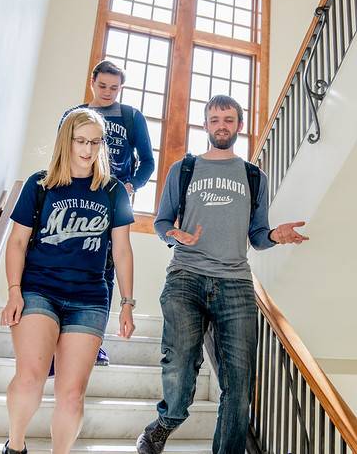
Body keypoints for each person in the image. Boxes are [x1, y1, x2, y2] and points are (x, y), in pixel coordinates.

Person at [136, 95, 309, 454]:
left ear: (239, 125)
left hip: (236, 284)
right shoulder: (183, 169)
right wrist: (173, 234)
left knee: (239, 383)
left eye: (228, 119)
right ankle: (165, 422)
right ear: (205, 125)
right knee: (181, 364)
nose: (221, 126)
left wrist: (276, 235)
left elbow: (258, 236)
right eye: (214, 120)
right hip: (186, 275)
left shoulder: (253, 176)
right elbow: (161, 221)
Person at [1, 109, 135, 454]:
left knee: (72, 394)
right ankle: (15, 446)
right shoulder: (40, 184)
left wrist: (127, 303)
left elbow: (121, 250)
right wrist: (14, 291)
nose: (88, 150)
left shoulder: (113, 191)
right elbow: (17, 242)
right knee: (30, 377)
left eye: (95, 142)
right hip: (38, 290)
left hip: (89, 298)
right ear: (67, 142)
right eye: (81, 141)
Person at [58, 59, 154, 366]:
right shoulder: (73, 116)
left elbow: (148, 162)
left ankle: (93, 342)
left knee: (106, 270)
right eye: (103, 86)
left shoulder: (131, 117)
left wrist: (131, 185)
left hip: (112, 201)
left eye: (115, 87)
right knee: (63, 263)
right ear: (92, 82)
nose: (108, 92)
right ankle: (55, 337)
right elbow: (60, 155)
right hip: (73, 198)